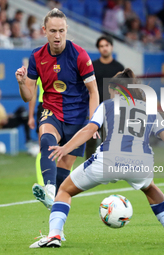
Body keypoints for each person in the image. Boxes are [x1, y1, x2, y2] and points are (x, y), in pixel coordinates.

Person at [29, 68, 164, 248]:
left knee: (64, 191)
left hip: (108, 161)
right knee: (151, 189)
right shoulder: (150, 109)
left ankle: (54, 236)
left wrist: (65, 148)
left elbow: (90, 130)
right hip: (141, 164)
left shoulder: (107, 105)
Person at [15, 8, 99, 222]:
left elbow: (93, 92)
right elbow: (28, 96)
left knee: (64, 170)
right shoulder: (36, 56)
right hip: (51, 110)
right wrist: (21, 83)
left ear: (66, 30)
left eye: (61, 30)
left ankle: (55, 215)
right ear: (44, 30)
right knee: (46, 140)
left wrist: (94, 123)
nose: (58, 36)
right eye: (53, 31)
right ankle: (49, 191)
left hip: (78, 119)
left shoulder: (80, 55)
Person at [85, 35, 124, 159]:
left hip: (112, 109)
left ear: (111, 47)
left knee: (110, 142)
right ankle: (89, 168)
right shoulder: (93, 66)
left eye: (106, 45)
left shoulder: (119, 68)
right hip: (95, 108)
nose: (104, 48)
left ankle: (108, 168)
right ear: (98, 49)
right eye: (101, 46)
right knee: (90, 139)